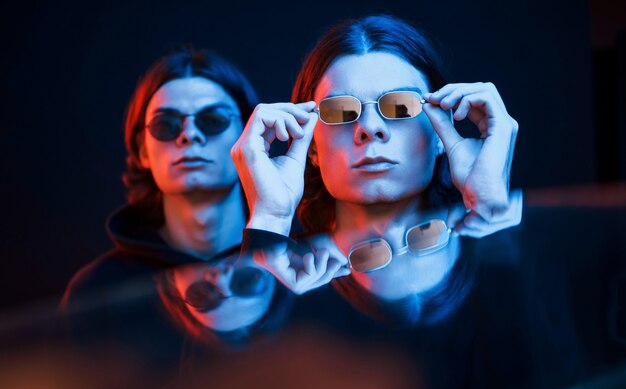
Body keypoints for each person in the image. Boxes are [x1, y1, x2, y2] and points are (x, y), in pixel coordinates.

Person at [231, 14, 522, 303]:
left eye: (401, 105)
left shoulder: (521, 252)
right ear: (312, 148)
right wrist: (271, 220)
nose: (370, 128)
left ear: (439, 132)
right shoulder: (280, 276)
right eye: (340, 111)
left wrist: (489, 202)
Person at [59, 46, 290, 360]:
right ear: (142, 151)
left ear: (252, 138)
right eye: (166, 124)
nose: (189, 135)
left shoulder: (307, 263)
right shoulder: (98, 292)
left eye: (213, 119)